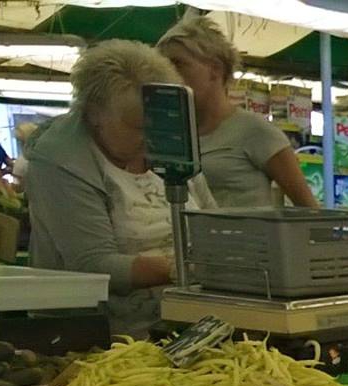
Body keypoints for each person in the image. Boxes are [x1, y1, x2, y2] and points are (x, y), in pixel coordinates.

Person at [27, 41, 215, 336]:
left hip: (188, 325)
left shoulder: (172, 146)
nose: (149, 139)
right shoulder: (61, 160)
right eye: (136, 127)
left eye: (155, 126)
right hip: (101, 335)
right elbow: (92, 263)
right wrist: (181, 269)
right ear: (94, 114)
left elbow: (212, 223)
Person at [157, 14, 316, 209]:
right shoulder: (169, 136)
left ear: (215, 70)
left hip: (247, 238)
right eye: (163, 66)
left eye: (178, 64)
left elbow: (309, 208)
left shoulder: (255, 130)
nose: (168, 74)